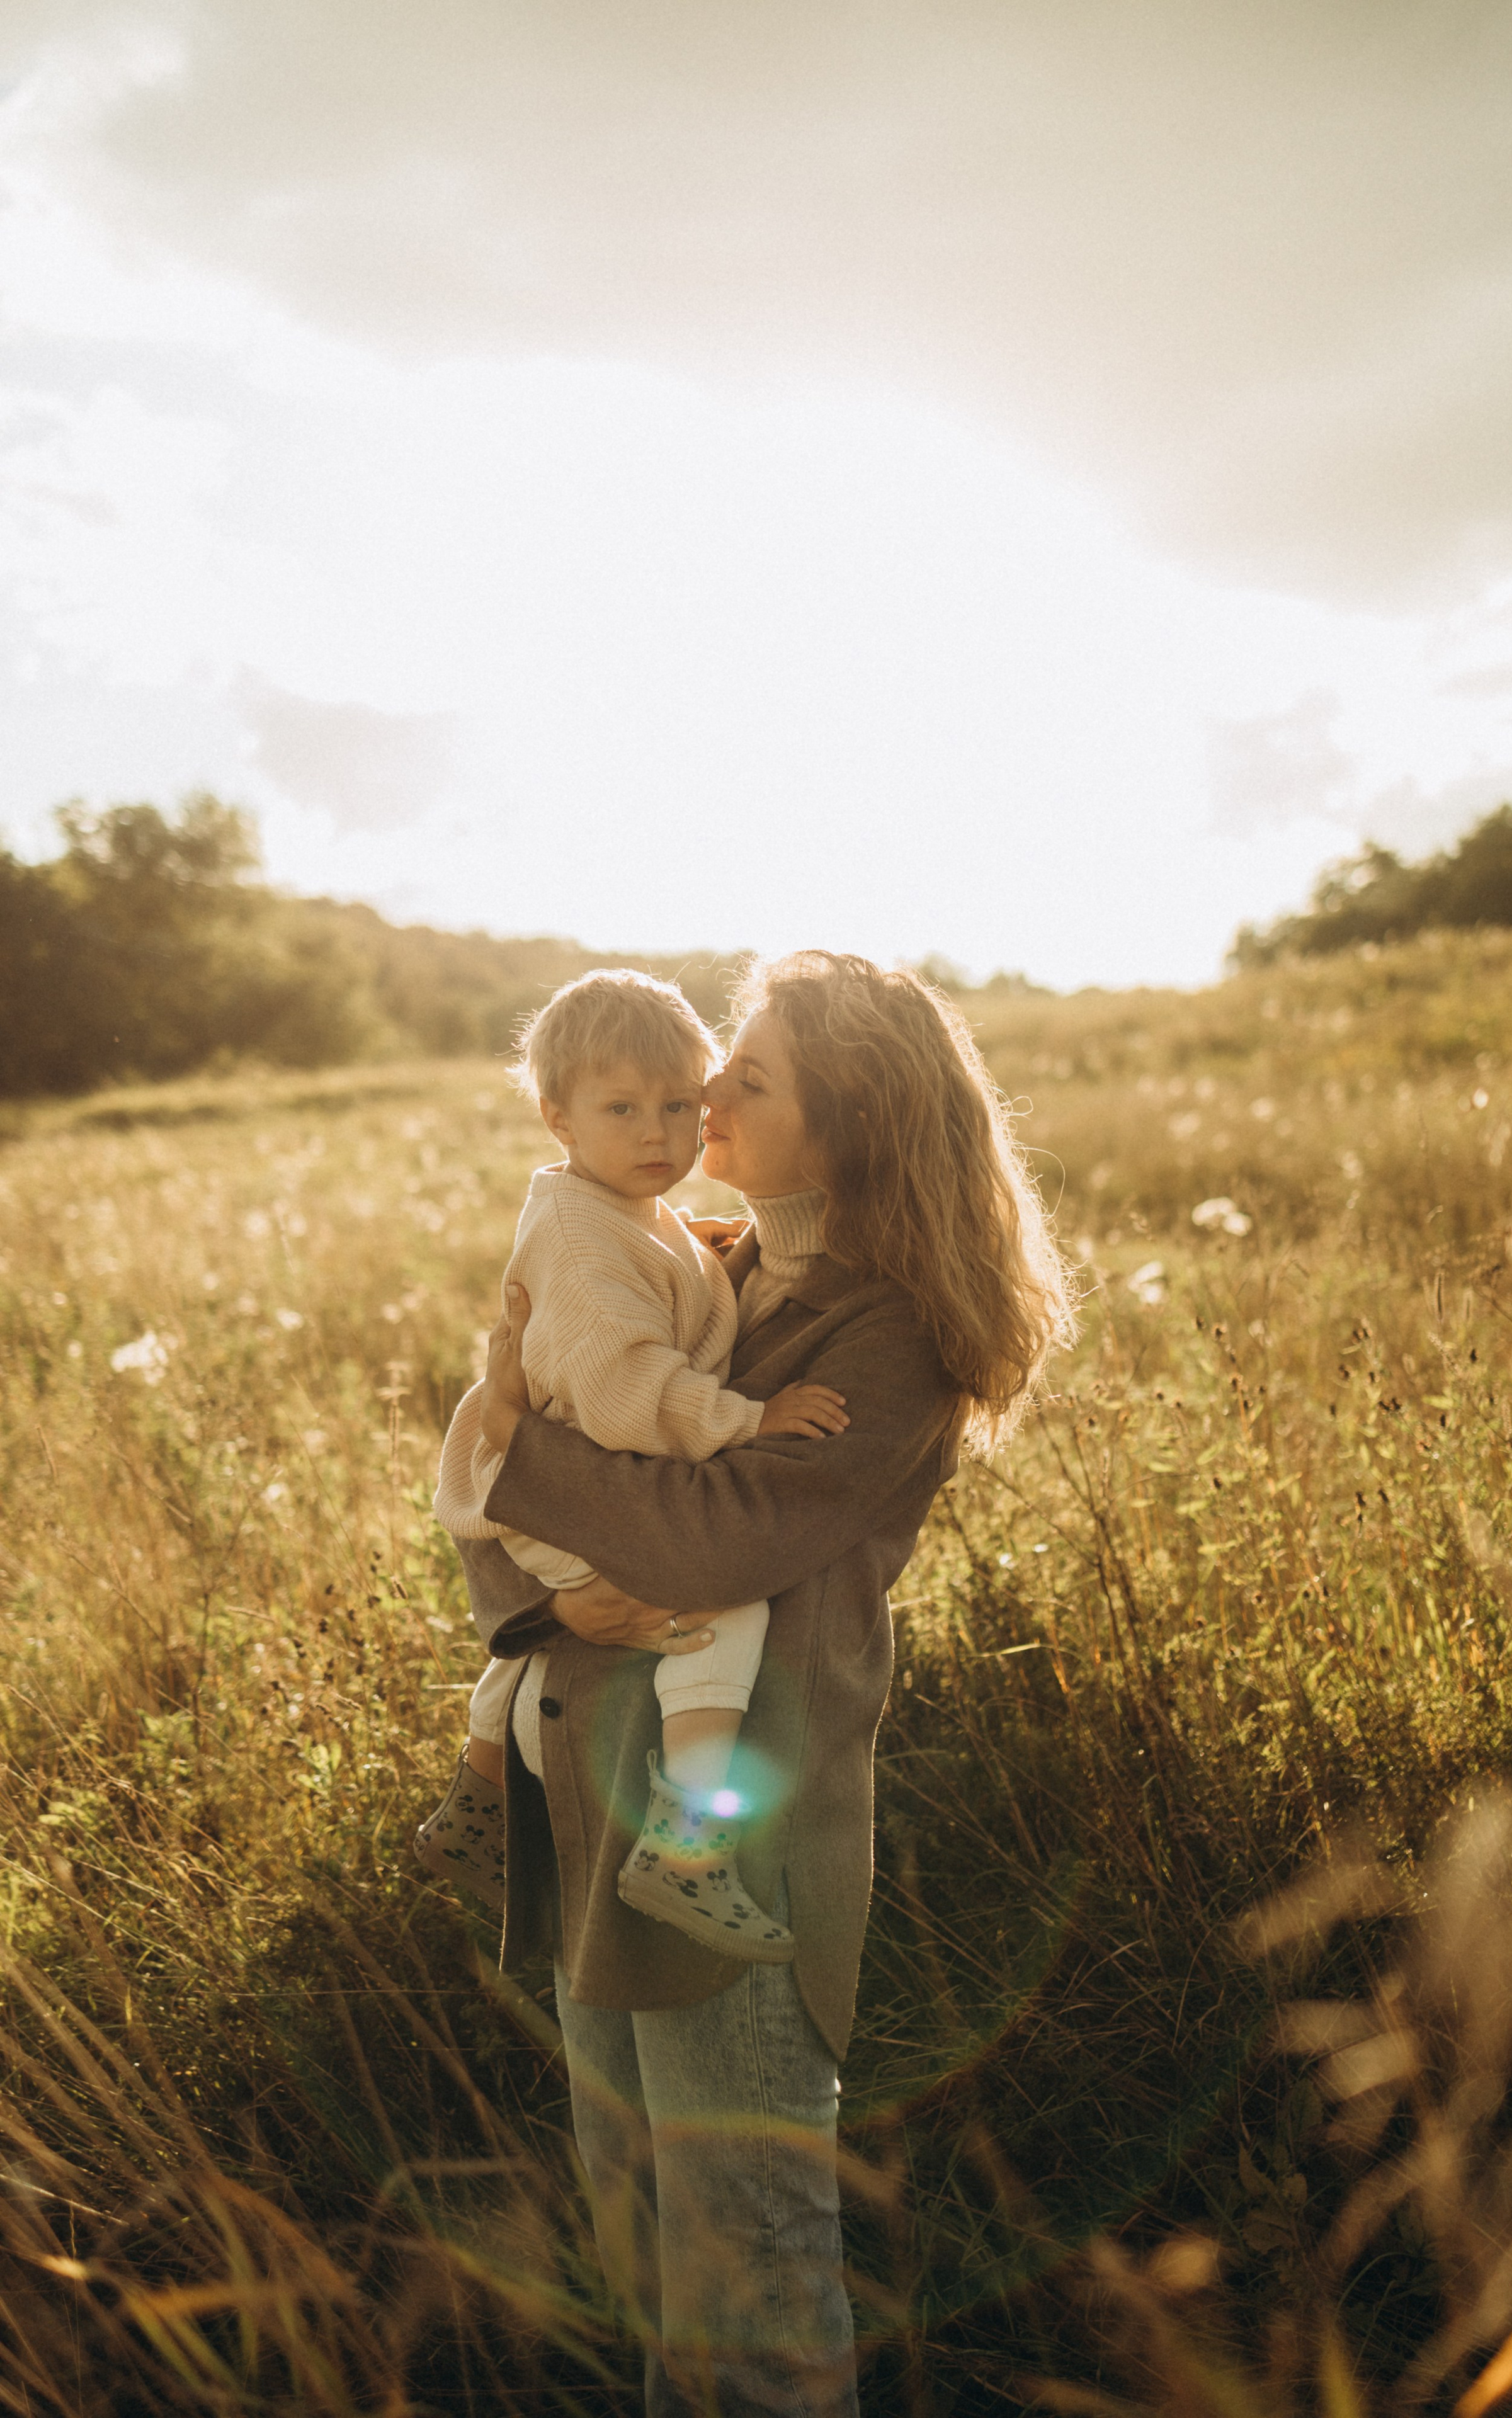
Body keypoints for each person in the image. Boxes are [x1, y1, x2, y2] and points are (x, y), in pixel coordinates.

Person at [459, 951, 1071, 2416]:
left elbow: (718, 1531)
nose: (708, 1091)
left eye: (750, 1070)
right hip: (595, 1792)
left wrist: (500, 1447)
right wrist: (539, 1592)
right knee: (643, 2228)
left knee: (750, 2259)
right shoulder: (706, 1258)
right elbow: (524, 1533)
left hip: (733, 1827)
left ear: (845, 1120)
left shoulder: (891, 1327)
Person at [420, 967, 849, 1956]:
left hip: (536, 1476)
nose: (659, 1134)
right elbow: (625, 1396)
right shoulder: (579, 1238)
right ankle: (687, 1847)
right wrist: (750, 1420)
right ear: (557, 1117)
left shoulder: (616, 1209)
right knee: (720, 1604)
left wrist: (696, 1256)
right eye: (623, 1109)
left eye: (678, 1105)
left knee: (571, 1629)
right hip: (553, 1481)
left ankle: (476, 1796)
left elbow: (643, 1289)